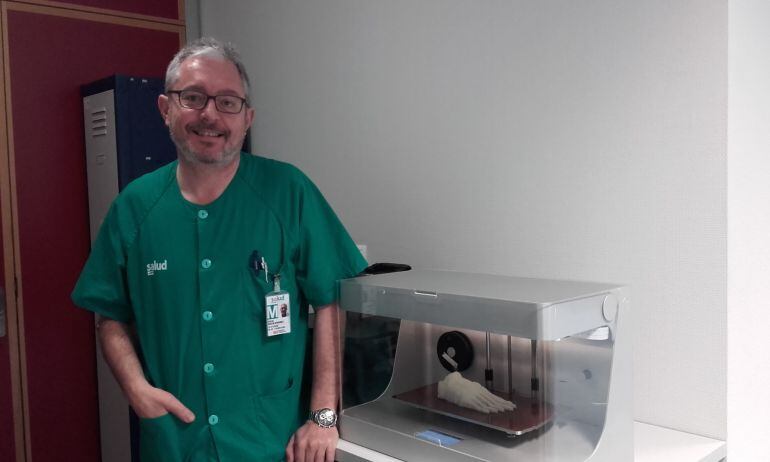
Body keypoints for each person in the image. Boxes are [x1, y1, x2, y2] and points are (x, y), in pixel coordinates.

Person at [71, 37, 367, 462]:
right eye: (192, 97)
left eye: (228, 102)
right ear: (165, 109)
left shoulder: (289, 192)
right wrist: (136, 390)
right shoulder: (134, 207)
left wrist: (322, 416)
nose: (210, 114)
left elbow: (330, 301)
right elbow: (109, 316)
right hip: (174, 444)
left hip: (271, 443)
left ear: (248, 118)